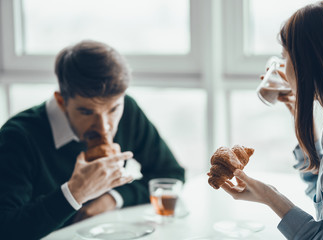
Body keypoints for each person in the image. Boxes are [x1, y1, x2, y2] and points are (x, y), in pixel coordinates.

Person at [0, 40, 185, 240]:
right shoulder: (17, 137)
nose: (103, 126)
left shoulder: (129, 111)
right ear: (62, 101)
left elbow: (171, 174)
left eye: (113, 109)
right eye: (87, 111)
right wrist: (74, 193)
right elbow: (6, 228)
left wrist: (112, 198)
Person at [221, 1, 323, 239]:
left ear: (306, 64)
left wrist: (271, 198)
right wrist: (299, 113)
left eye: (285, 57)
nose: (282, 68)